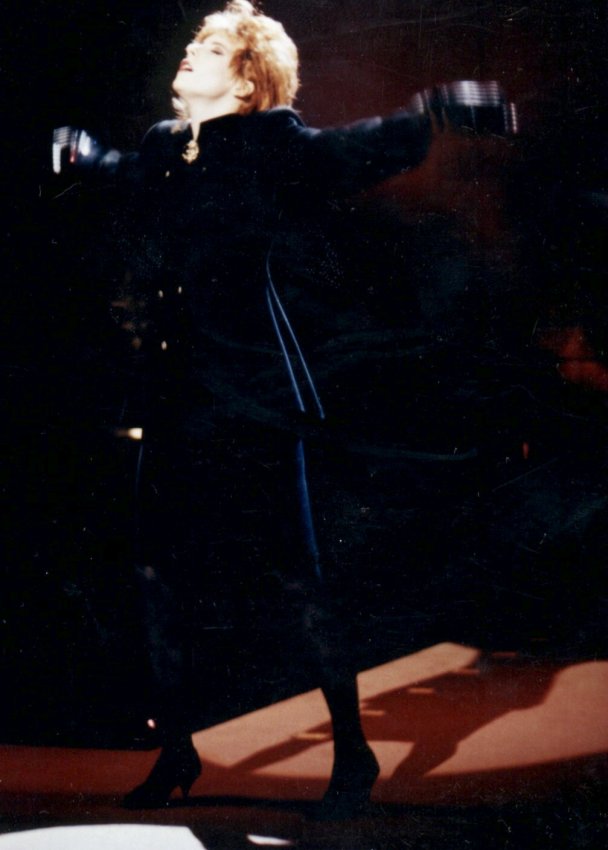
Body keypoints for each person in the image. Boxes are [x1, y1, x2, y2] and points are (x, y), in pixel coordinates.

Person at [53, 0, 511, 817]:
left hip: (254, 393)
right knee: (158, 576)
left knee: (299, 579)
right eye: (194, 40)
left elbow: (348, 150)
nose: (191, 51)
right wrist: (88, 157)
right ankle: (178, 751)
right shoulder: (163, 147)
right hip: (176, 393)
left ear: (246, 82)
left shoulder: (271, 142)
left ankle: (353, 756)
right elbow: (126, 173)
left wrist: (432, 115)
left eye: (211, 47)